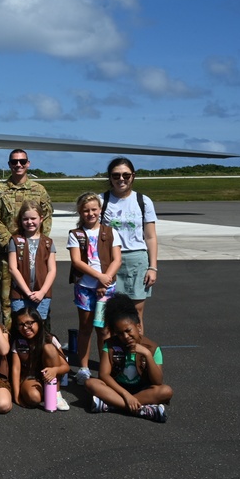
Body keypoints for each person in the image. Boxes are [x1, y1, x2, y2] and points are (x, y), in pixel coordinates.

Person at [0, 149, 53, 327]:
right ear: (9, 164)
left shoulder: (39, 190)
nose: (18, 165)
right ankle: (10, 344)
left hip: (35, 256)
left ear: (28, 163)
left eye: (22, 161)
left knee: (37, 299)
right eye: (14, 162)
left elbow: (46, 217)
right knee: (8, 302)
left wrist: (39, 244)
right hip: (8, 256)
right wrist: (12, 244)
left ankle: (38, 343)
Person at [84, 294, 172, 422]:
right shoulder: (110, 345)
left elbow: (157, 381)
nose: (125, 336)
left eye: (128, 330)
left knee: (166, 391)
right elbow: (104, 375)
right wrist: (126, 395)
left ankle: (112, 405)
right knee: (90, 383)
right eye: (119, 333)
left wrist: (147, 355)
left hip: (141, 390)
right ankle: (142, 410)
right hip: (117, 389)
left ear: (139, 327)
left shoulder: (152, 348)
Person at [68, 192, 123, 385]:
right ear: (80, 212)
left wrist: (105, 280)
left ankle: (104, 368)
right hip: (85, 287)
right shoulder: (76, 235)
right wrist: (99, 277)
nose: (90, 213)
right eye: (86, 210)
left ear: (100, 210)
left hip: (106, 288)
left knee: (104, 329)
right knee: (86, 327)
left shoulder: (110, 232)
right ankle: (83, 368)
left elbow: (117, 259)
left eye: (94, 209)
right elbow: (76, 261)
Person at [101, 157, 159, 332]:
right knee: (109, 312)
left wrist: (153, 267)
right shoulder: (101, 200)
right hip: (109, 261)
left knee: (136, 313)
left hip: (136, 259)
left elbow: (150, 236)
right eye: (116, 175)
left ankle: (135, 355)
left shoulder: (143, 201)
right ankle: (112, 356)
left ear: (133, 176)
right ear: (110, 177)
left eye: (126, 175)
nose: (121, 179)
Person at [9, 307, 69, 409]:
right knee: (34, 398)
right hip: (30, 377)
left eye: (29, 323)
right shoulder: (17, 342)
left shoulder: (50, 338)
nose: (25, 328)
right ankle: (43, 393)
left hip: (50, 375)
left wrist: (55, 370)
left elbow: (66, 367)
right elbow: (16, 369)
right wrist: (17, 396)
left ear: (38, 322)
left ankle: (56, 394)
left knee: (49, 347)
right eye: (21, 324)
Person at [7, 200, 57, 320]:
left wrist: (42, 292)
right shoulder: (15, 241)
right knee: (21, 325)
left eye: (33, 218)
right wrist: (27, 292)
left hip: (42, 296)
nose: (29, 222)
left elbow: (52, 270)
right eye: (25, 219)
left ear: (41, 218)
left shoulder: (48, 243)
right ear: (21, 220)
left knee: (38, 326)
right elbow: (12, 268)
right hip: (20, 295)